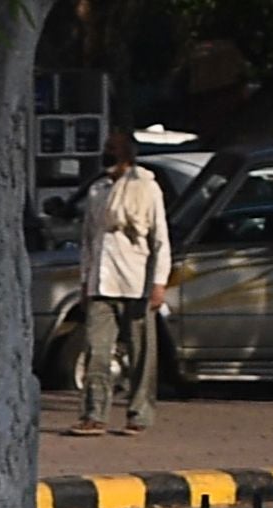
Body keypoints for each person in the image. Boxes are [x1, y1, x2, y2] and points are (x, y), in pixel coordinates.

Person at [69, 144, 174, 436]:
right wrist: (84, 282)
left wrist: (158, 283)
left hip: (136, 281)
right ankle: (94, 414)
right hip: (101, 283)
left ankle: (139, 414)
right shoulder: (97, 190)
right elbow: (89, 239)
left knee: (141, 354)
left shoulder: (146, 187)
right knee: (96, 351)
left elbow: (160, 239)